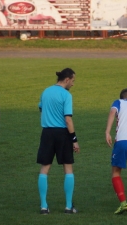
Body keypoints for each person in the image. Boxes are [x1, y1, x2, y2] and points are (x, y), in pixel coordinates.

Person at [37, 68, 80, 215]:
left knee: (45, 169)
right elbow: (68, 119)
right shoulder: (66, 95)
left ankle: (44, 206)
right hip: (62, 134)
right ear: (67, 80)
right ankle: (68, 206)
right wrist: (74, 139)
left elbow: (41, 109)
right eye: (72, 81)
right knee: (68, 169)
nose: (73, 84)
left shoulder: (46, 91)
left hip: (47, 133)